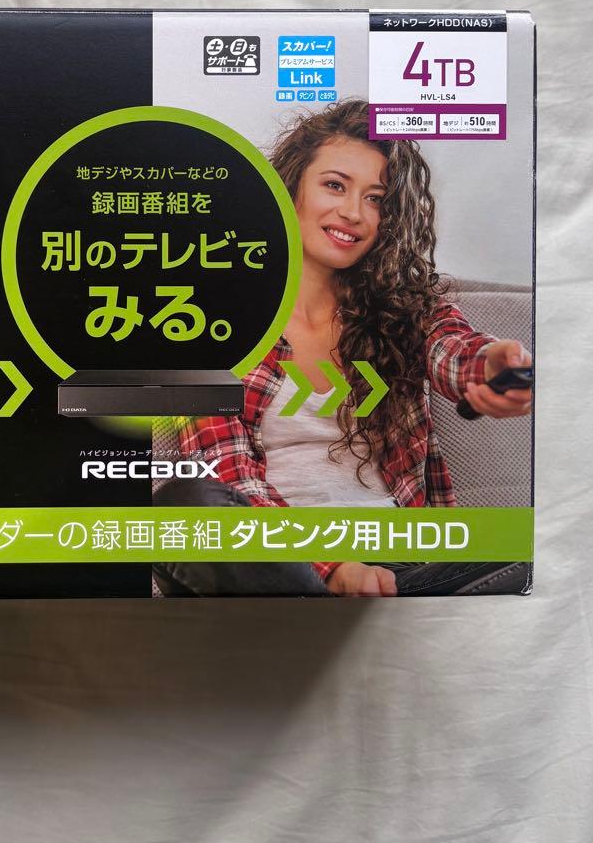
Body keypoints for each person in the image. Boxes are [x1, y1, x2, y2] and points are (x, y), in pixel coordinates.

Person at [162, 98, 532, 598]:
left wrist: (492, 368)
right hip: (280, 561)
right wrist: (332, 567)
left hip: (401, 563)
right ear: (289, 186)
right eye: (335, 185)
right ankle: (318, 609)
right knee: (187, 503)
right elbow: (227, 472)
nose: (354, 213)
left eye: (376, 198)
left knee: (532, 539)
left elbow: (455, 351)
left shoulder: (405, 307)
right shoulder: (209, 319)